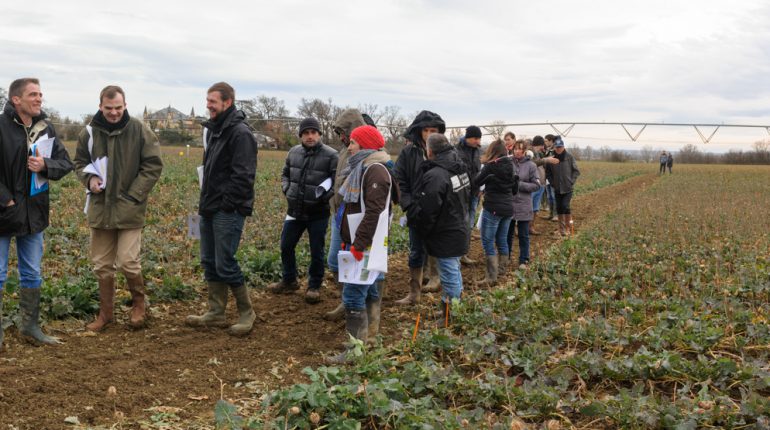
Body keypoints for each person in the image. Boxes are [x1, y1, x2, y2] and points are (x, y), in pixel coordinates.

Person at [74, 85, 163, 331]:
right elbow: (80, 162)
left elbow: (153, 165)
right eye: (109, 108)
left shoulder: (139, 131)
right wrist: (89, 179)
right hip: (100, 208)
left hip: (129, 208)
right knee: (102, 264)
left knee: (128, 261)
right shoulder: (89, 133)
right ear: (100, 106)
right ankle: (106, 314)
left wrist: (134, 195)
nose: (114, 113)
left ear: (125, 105)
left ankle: (139, 305)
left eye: (118, 108)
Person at [0, 77, 73, 347]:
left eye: (40, 94)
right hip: (3, 213)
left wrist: (45, 165)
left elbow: (65, 164)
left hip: (34, 214)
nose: (39, 98)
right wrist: (6, 200)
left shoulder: (46, 128)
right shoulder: (1, 126)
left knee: (32, 273)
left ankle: (30, 327)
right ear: (16, 99)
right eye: (33, 94)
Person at [185, 82, 257, 336]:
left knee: (225, 262)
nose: (208, 105)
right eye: (207, 101)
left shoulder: (240, 133)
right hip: (209, 207)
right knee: (208, 260)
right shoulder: (215, 130)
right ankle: (216, 312)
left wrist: (226, 205)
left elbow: (243, 176)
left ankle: (247, 313)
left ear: (227, 102)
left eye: (212, 101)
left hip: (227, 210)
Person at [327, 125, 398, 363]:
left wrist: (358, 244)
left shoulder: (375, 171)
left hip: (366, 245)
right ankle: (368, 342)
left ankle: (354, 352)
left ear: (365, 145)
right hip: (366, 243)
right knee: (370, 291)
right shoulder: (365, 167)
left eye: (354, 142)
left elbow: (375, 212)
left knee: (353, 296)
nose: (350, 146)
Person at [267, 117, 338, 304]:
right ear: (300, 135)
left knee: (316, 250)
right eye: (306, 133)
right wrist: (286, 188)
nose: (310, 136)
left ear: (319, 134)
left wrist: (324, 197)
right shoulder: (293, 152)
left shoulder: (331, 155)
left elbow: (337, 181)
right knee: (286, 246)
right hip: (295, 210)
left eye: (313, 132)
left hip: (318, 213)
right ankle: (289, 280)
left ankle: (314, 286)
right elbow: (285, 174)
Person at [407, 133, 470, 322]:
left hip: (446, 232)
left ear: (430, 150)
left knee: (449, 272)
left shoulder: (436, 175)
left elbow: (429, 210)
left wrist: (420, 226)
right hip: (458, 225)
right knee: (453, 269)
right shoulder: (459, 167)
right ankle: (451, 307)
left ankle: (451, 314)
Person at [393, 110, 446, 305]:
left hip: (438, 211)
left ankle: (437, 280)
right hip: (416, 210)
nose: (430, 133)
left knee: (437, 248)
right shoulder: (409, 152)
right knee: (416, 251)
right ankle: (414, 292)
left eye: (434, 130)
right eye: (426, 130)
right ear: (419, 131)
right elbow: (400, 179)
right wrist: (407, 204)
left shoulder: (444, 151)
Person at [324, 109, 368, 321]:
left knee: (359, 265)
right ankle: (346, 300)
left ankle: (358, 304)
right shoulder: (344, 151)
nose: (341, 136)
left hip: (355, 218)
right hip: (339, 214)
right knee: (334, 262)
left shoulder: (365, 153)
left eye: (344, 132)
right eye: (339, 132)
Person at [474, 139, 517, 285]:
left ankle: (491, 277)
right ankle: (502, 273)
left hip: (493, 208)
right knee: (502, 240)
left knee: (487, 241)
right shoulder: (511, 165)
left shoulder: (491, 166)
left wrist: (489, 178)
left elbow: (477, 182)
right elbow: (515, 188)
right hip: (508, 209)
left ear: (492, 152)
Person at [508, 141, 540, 269]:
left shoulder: (531, 166)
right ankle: (506, 257)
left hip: (524, 204)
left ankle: (524, 260)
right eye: (515, 149)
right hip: (509, 204)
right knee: (507, 234)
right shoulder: (508, 163)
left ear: (525, 151)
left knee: (523, 234)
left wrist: (519, 185)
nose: (517, 151)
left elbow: (537, 185)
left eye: (520, 149)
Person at [455, 125, 482, 264]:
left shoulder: (477, 151)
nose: (478, 141)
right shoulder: (457, 151)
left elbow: (478, 171)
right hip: (461, 195)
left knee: (469, 225)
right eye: (476, 138)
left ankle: (464, 254)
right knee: (460, 224)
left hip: (474, 194)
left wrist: (479, 189)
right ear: (468, 138)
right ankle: (456, 255)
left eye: (479, 138)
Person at [545, 136, 580, 237]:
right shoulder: (552, 159)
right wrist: (552, 183)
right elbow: (548, 173)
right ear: (554, 148)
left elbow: (576, 171)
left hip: (568, 188)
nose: (559, 149)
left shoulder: (569, 157)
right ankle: (561, 230)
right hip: (557, 188)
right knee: (559, 207)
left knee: (565, 206)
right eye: (557, 147)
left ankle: (568, 228)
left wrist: (571, 182)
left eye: (560, 147)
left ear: (563, 147)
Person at [528, 136, 557, 235]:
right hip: (533, 185)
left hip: (541, 184)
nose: (542, 147)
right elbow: (531, 164)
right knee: (528, 208)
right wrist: (545, 160)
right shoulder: (529, 153)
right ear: (538, 144)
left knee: (535, 208)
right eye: (541, 145)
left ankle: (531, 227)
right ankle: (523, 228)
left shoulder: (540, 153)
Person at [543, 135, 559, 221]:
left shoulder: (556, 150)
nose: (545, 143)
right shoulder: (548, 150)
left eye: (546, 141)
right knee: (549, 196)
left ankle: (556, 215)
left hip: (553, 178)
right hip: (547, 177)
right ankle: (551, 214)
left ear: (551, 141)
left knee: (554, 196)